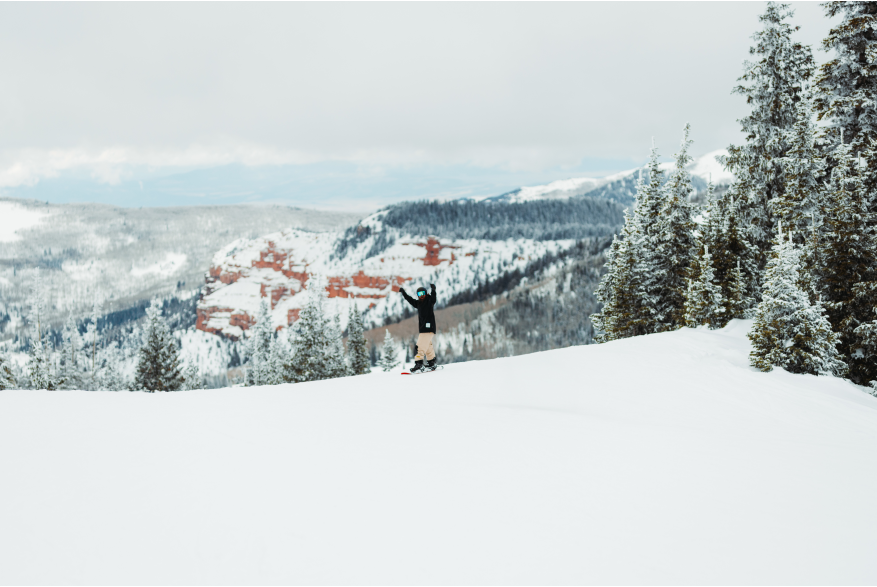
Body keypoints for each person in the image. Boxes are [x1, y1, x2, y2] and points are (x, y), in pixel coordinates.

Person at [399, 283, 437, 373]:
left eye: (423, 293)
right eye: (419, 294)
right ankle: (432, 362)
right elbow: (410, 300)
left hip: (429, 328)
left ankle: (419, 364)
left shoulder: (429, 300)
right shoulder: (418, 304)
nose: (421, 295)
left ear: (425, 293)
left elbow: (434, 298)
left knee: (419, 346)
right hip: (423, 329)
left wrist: (433, 290)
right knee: (427, 346)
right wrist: (404, 293)